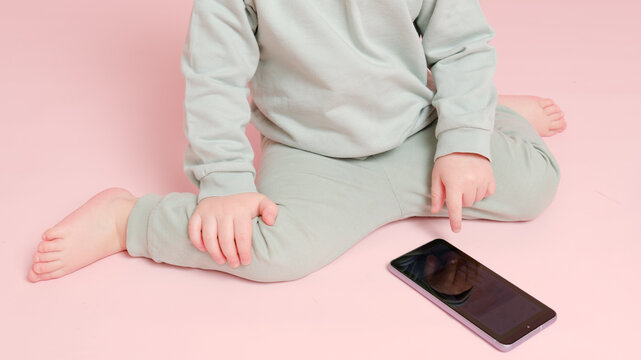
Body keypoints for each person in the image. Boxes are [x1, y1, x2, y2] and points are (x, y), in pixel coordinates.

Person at [27, 0, 566, 282]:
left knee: (536, 183)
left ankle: (480, 114)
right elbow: (212, 78)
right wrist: (226, 183)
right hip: (312, 155)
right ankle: (129, 220)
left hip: (415, 131)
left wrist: (465, 143)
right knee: (267, 251)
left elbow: (464, 46)